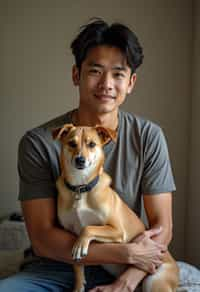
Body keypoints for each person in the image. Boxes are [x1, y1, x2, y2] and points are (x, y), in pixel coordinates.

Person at [0, 18, 176, 291]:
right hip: (56, 265)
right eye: (95, 71)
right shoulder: (39, 142)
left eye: (118, 74)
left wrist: (125, 281)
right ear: (76, 74)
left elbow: (162, 227)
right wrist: (124, 252)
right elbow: (43, 239)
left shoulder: (148, 136)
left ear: (131, 82)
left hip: (131, 268)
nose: (106, 83)